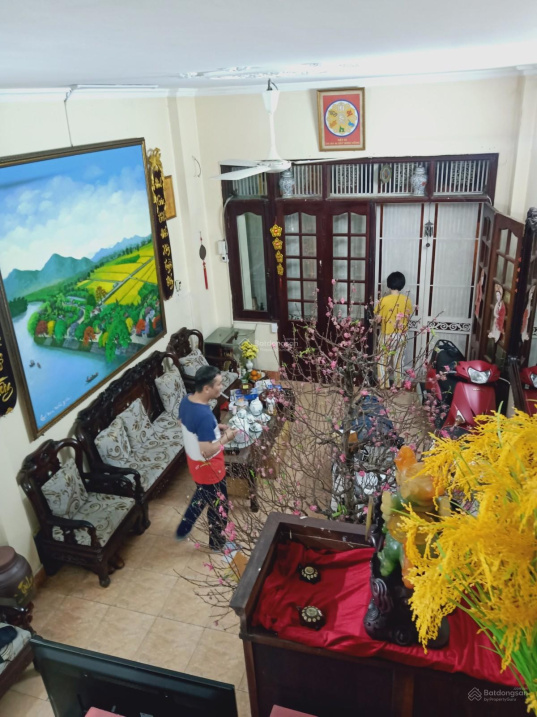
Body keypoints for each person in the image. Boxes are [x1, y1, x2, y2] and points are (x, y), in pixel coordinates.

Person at [175, 365, 238, 550]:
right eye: (218, 384)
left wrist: (214, 428)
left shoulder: (186, 400)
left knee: (203, 494)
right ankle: (217, 543)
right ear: (207, 388)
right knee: (220, 506)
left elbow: (183, 422)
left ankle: (184, 528)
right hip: (209, 468)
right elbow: (207, 451)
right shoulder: (203, 415)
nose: (221, 387)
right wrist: (226, 437)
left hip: (194, 463)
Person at [375, 271, 413, 388]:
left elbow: (378, 320)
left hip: (387, 334)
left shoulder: (383, 300)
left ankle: (384, 385)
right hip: (401, 335)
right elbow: (408, 316)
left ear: (389, 284)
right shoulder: (407, 300)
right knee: (398, 361)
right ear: (402, 284)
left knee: (382, 360)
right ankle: (398, 384)